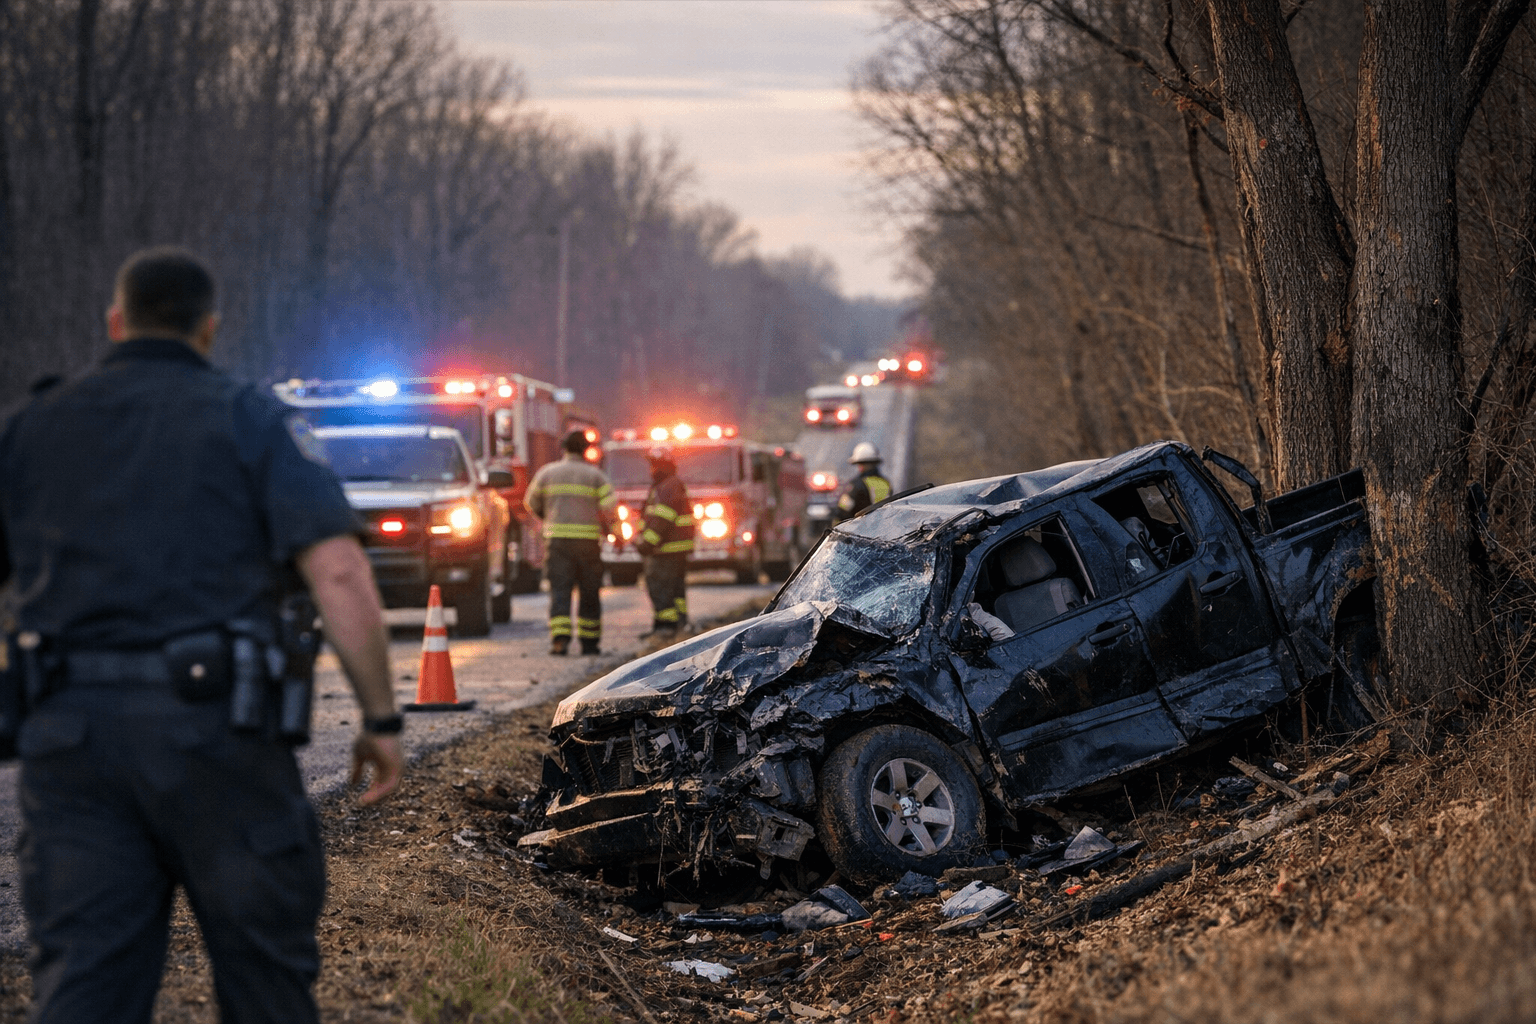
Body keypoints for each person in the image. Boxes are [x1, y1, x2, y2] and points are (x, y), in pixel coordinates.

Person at [0, 247, 405, 1024]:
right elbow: (342, 573)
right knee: (264, 983)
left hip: (70, 745)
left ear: (115, 322)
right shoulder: (251, 419)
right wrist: (381, 721)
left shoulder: (32, 426)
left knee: (83, 988)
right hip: (223, 740)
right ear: (209, 330)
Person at [524, 429, 616, 656]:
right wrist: (612, 533)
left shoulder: (547, 473)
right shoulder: (596, 476)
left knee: (560, 591)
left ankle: (560, 641)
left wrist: (549, 517)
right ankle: (590, 643)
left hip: (557, 543)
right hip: (587, 544)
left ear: (564, 448)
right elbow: (609, 510)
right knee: (589, 591)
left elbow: (530, 503)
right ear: (586, 450)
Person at [635, 446, 694, 637]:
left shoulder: (668, 486)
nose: (652, 470)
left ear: (667, 466)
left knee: (660, 587)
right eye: (652, 465)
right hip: (672, 549)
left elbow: (663, 518)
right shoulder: (667, 484)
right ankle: (679, 625)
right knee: (675, 590)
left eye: (656, 465)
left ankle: (665, 629)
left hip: (665, 549)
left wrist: (646, 544)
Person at [833, 441, 892, 523]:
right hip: (882, 529)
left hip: (861, 529)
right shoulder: (886, 483)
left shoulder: (856, 485)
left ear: (860, 465)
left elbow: (843, 511)